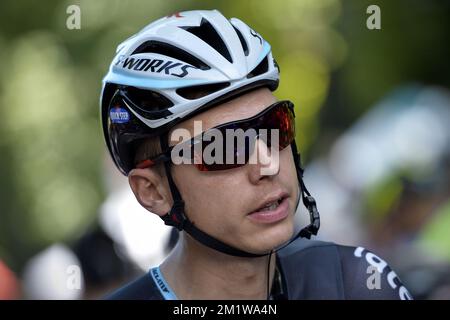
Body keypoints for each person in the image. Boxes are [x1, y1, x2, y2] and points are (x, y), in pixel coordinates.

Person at [100, 9, 412, 300]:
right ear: (153, 191)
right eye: (224, 147)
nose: (268, 163)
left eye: (275, 127)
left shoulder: (356, 283)